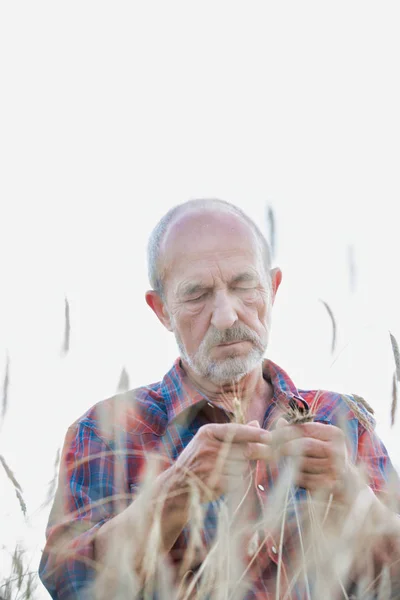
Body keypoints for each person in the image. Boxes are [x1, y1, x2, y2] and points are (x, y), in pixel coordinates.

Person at [39, 198, 400, 599]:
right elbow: (70, 585)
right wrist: (174, 494)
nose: (226, 316)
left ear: (273, 288)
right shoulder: (108, 430)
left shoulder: (342, 419)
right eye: (197, 295)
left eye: (244, 286)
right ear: (161, 310)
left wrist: (352, 494)